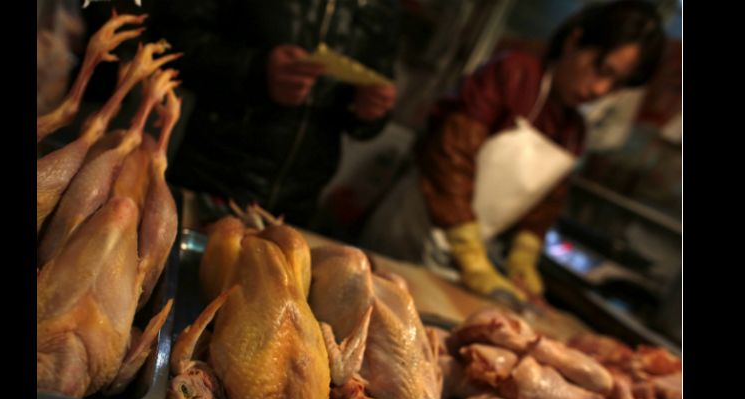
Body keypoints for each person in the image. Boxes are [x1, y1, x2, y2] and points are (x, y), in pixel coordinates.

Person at [360, 0, 665, 301]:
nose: (600, 90)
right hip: (411, 231)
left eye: (616, 84)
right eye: (601, 69)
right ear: (575, 41)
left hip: (465, 263)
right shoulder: (514, 74)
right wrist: (468, 249)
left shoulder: (574, 131)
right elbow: (449, 155)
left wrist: (524, 254)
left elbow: (545, 203)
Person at [148, 0, 400, 228]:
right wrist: (256, 70)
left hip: (296, 209)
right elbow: (169, 40)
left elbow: (371, 108)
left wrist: (370, 112)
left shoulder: (384, 6)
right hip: (209, 183)